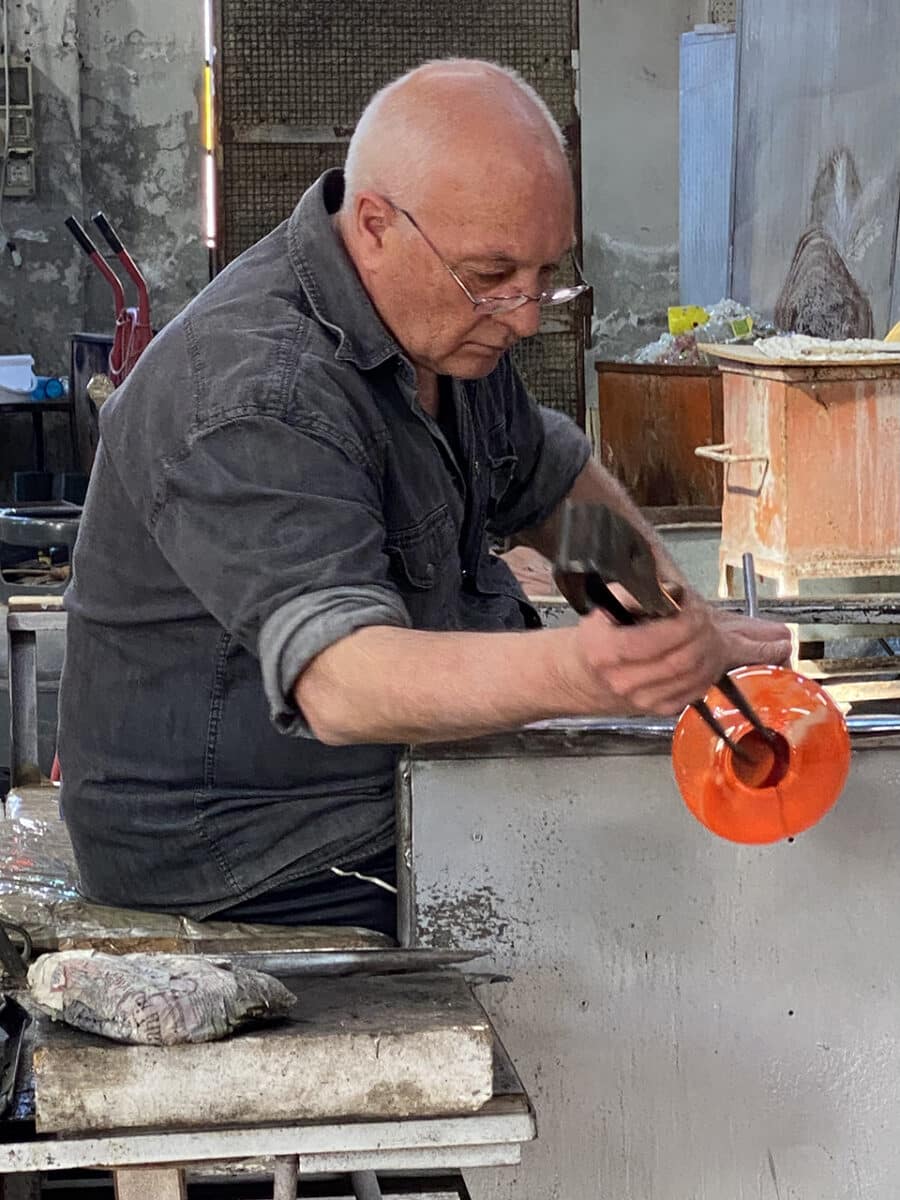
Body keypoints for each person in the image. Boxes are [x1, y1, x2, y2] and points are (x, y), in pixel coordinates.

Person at [57, 59, 790, 936]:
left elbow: (549, 480)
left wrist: (656, 609)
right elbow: (343, 681)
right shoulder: (257, 392)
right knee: (656, 909)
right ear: (374, 225)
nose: (523, 315)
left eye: (544, 275)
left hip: (391, 790)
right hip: (252, 858)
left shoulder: (447, 328)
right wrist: (583, 672)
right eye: (492, 275)